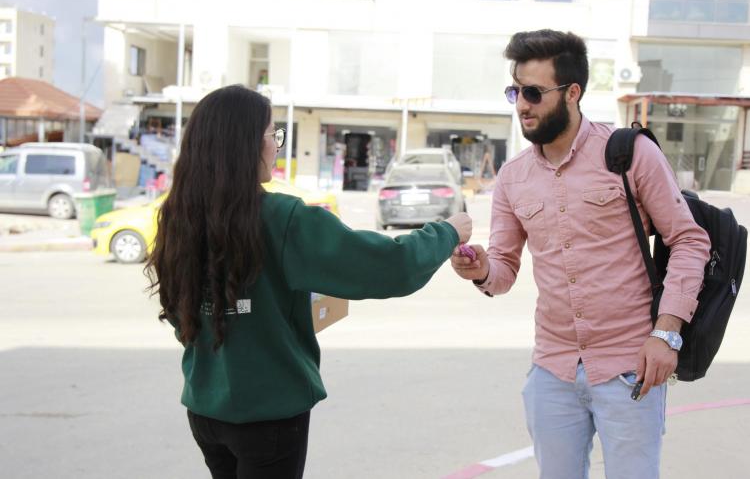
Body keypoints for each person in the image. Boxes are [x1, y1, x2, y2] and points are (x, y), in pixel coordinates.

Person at [145, 85, 471, 479]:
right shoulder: (282, 217)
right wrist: (447, 232)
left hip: (205, 410)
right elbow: (389, 266)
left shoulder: (179, 214)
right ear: (245, 144)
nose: (276, 146)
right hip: (268, 416)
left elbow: (184, 314)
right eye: (272, 134)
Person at [450, 30, 710, 478]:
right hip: (553, 370)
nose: (522, 104)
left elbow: (689, 240)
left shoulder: (629, 154)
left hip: (630, 366)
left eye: (533, 92)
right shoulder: (513, 178)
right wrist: (478, 268)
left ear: (573, 92)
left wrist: (667, 334)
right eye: (515, 90)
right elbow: (504, 271)